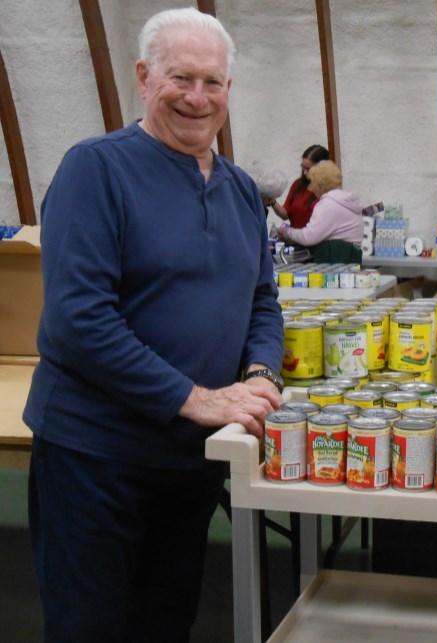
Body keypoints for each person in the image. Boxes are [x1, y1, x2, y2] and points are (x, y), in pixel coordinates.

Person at [24, 8, 284, 642]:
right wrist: (194, 398)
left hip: (188, 459)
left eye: (213, 82)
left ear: (228, 88)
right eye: (180, 78)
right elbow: (79, 320)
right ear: (144, 78)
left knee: (165, 622)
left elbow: (261, 300)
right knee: (91, 627)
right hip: (97, 457)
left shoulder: (240, 190)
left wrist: (259, 375)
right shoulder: (96, 170)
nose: (198, 97)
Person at [278, 159, 363, 262]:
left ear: (320, 185)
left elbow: (308, 237)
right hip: (351, 258)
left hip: (334, 259)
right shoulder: (346, 201)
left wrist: (287, 232)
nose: (310, 189)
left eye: (312, 183)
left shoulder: (327, 204)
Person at [267, 144, 330, 227]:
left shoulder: (329, 189)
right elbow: (285, 214)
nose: (305, 172)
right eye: (303, 168)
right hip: (296, 234)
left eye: (309, 169)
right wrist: (272, 201)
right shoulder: (298, 184)